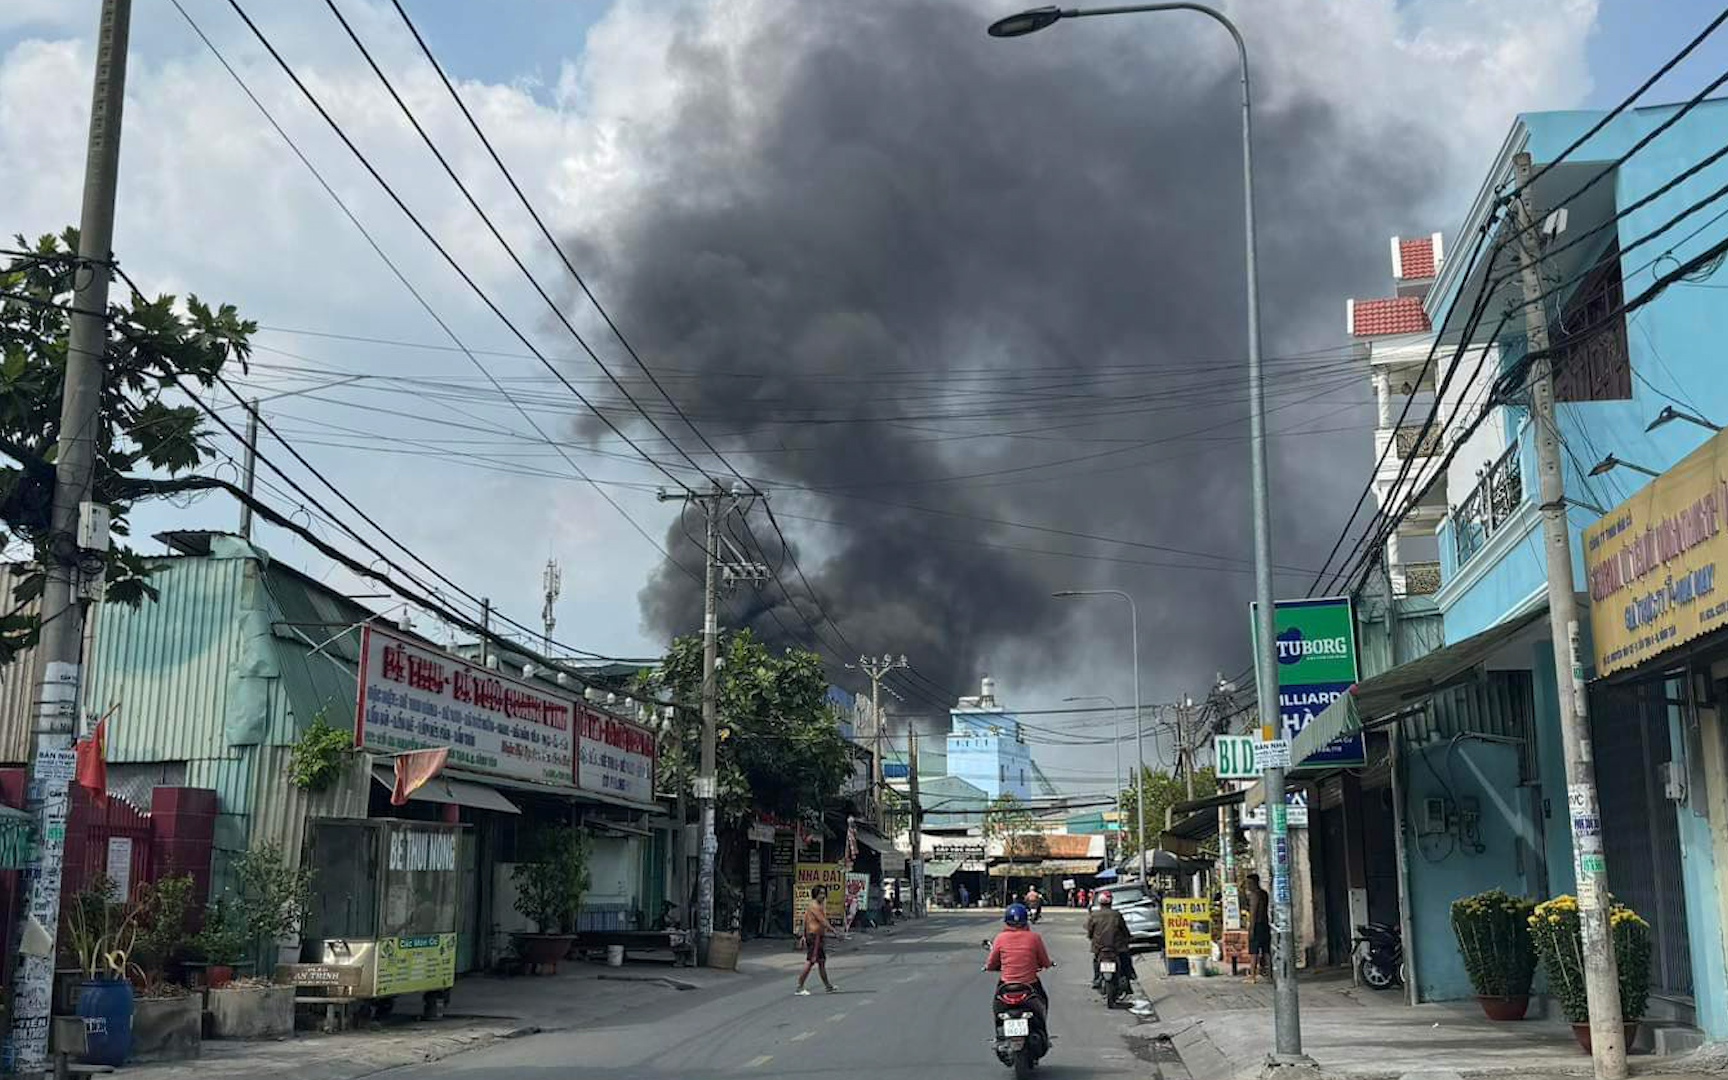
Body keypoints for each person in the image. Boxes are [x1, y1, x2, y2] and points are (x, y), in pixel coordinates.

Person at [984, 902, 1054, 1024]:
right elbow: (1044, 961)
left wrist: (989, 967)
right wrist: (1047, 964)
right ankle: (1043, 1032)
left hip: (1007, 984)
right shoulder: (1034, 938)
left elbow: (991, 963)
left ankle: (1000, 1034)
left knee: (997, 1004)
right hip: (1030, 984)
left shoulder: (1000, 938)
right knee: (1043, 1000)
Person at [1085, 890, 1134, 991]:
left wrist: (1091, 937)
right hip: (1116, 947)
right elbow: (1124, 930)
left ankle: (1097, 978)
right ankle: (1129, 976)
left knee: (1096, 961)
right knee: (1125, 960)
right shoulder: (1116, 915)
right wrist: (1128, 937)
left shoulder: (1094, 915)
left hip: (1099, 947)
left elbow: (1090, 931)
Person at [796, 885, 838, 995]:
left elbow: (805, 920)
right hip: (815, 937)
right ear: (815, 894)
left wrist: (803, 935)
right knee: (811, 961)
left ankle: (828, 986)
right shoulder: (815, 906)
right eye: (821, 894)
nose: (823, 896)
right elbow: (822, 920)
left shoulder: (816, 905)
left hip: (817, 936)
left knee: (822, 962)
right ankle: (800, 986)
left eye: (824, 893)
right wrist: (834, 930)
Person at [1244, 872, 1271, 984]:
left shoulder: (1254, 895)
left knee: (1254, 951)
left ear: (1254, 883)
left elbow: (1253, 912)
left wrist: (1251, 928)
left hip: (1257, 925)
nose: (1248, 885)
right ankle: (1270, 973)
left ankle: (1252, 975)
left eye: (1249, 883)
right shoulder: (1264, 894)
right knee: (1266, 950)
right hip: (1265, 924)